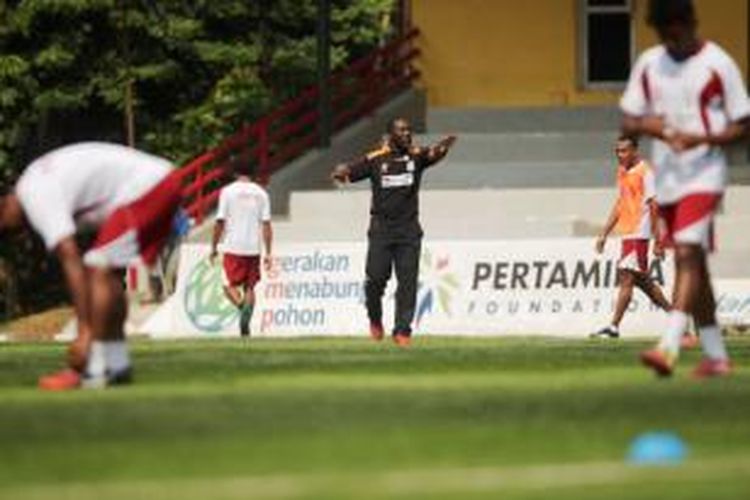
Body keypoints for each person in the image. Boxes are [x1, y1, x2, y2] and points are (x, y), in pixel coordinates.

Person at [620, 0, 750, 377]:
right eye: (664, 34)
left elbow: (744, 122)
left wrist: (701, 138)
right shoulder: (649, 64)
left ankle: (670, 346)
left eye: (676, 31)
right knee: (697, 265)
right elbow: (629, 117)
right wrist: (657, 129)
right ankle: (717, 357)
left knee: (687, 253)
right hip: (669, 178)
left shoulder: (718, 63)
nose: (671, 41)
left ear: (691, 24)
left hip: (705, 173)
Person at [0, 142, 182, 390]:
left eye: (7, 231)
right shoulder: (35, 182)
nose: (15, 236)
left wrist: (84, 332)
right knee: (106, 274)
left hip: (146, 188)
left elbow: (70, 258)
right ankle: (116, 365)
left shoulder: (35, 196)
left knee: (97, 266)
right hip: (163, 181)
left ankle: (91, 367)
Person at [331, 118, 456, 346]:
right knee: (375, 280)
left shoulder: (416, 156)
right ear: (390, 135)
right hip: (381, 231)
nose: (407, 133)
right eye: (401, 130)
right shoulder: (376, 159)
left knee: (407, 283)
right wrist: (341, 173)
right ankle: (375, 319)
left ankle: (403, 331)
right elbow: (348, 173)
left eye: (409, 129)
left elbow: (433, 154)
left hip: (409, 232)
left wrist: (444, 147)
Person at [592, 135, 675, 339]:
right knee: (642, 281)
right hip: (628, 232)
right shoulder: (622, 171)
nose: (620, 155)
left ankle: (613, 327)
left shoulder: (645, 172)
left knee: (626, 276)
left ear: (635, 151)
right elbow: (621, 203)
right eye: (617, 151)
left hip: (639, 231)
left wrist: (658, 240)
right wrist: (604, 232)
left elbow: (655, 206)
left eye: (624, 150)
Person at [210, 162, 272, 337]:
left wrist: (214, 246)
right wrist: (268, 252)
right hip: (254, 247)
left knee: (227, 285)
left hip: (233, 245)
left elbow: (220, 221)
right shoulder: (261, 193)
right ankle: (246, 320)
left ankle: (242, 308)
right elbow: (266, 224)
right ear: (252, 174)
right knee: (250, 288)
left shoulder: (228, 192)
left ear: (235, 173)